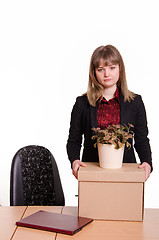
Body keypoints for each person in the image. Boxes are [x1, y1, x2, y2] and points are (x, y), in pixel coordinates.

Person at [66, 44, 152, 181]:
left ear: (120, 69)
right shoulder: (82, 103)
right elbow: (74, 140)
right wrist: (74, 160)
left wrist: (147, 162)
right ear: (94, 72)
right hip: (92, 172)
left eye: (112, 68)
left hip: (126, 172)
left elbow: (141, 139)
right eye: (101, 69)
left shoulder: (135, 102)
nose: (107, 74)